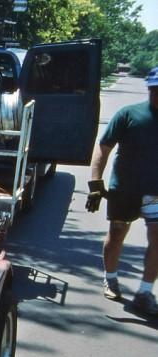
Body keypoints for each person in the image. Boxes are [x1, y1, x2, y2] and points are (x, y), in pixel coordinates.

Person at [86, 67, 158, 315]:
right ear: (150, 89)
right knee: (117, 233)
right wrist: (95, 184)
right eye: (156, 89)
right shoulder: (129, 114)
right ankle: (111, 277)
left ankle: (145, 292)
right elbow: (103, 148)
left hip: (155, 194)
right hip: (125, 189)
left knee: (157, 239)